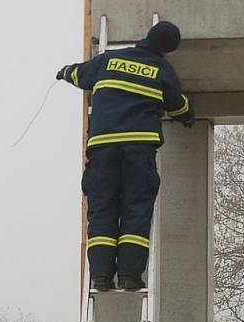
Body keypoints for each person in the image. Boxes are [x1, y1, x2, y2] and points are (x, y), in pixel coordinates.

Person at [57, 21, 194, 291]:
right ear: (169, 50)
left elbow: (79, 74)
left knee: (103, 211)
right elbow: (178, 106)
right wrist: (188, 117)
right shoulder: (162, 70)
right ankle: (130, 276)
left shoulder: (108, 60)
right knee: (136, 210)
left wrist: (64, 73)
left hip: (103, 151)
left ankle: (101, 276)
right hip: (139, 151)